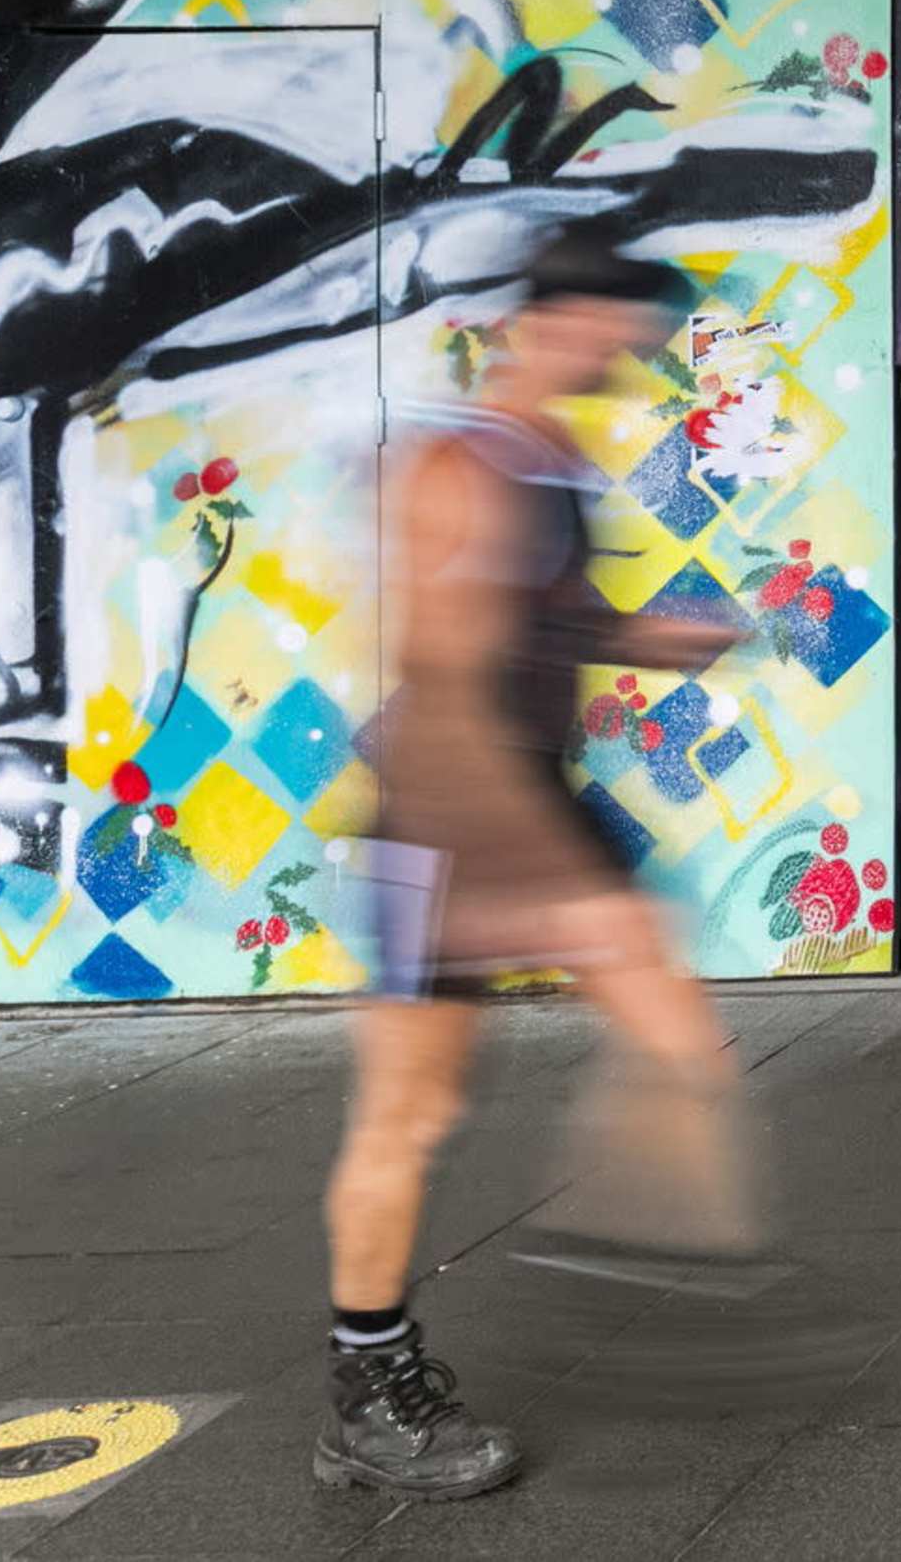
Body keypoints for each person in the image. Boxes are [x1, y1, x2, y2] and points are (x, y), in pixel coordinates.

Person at [316, 239, 758, 1502]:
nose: (621, 360)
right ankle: (369, 1392)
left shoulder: (544, 458)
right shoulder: (459, 464)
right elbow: (448, 664)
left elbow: (529, 622)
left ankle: (643, 1256)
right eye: (609, 333)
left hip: (509, 806)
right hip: (440, 820)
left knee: (677, 1037)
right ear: (547, 322)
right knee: (408, 1116)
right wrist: (522, 876)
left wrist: (640, 636)